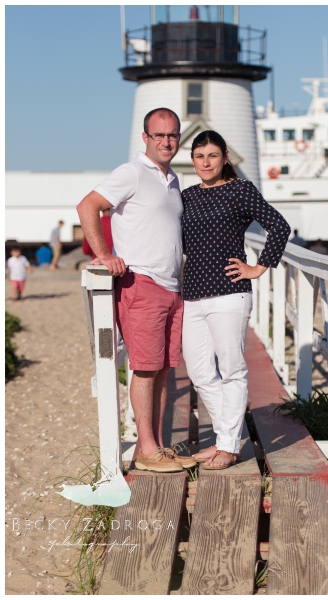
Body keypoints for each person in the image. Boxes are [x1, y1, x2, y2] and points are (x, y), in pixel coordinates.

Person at [76, 107, 194, 473]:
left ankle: (154, 445)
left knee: (163, 369)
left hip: (172, 286)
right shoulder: (132, 172)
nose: (166, 141)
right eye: (158, 135)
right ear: (145, 137)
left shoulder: (173, 180)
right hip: (141, 282)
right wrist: (105, 254)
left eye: (172, 135)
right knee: (144, 368)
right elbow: (88, 206)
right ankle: (145, 450)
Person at [182, 130, 290, 470]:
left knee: (231, 370)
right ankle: (226, 436)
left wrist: (258, 268)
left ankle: (227, 446)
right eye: (200, 156)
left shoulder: (240, 190)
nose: (206, 162)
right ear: (193, 160)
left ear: (224, 156)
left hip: (230, 293)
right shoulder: (186, 196)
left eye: (212, 155)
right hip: (193, 295)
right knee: (200, 373)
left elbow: (279, 226)